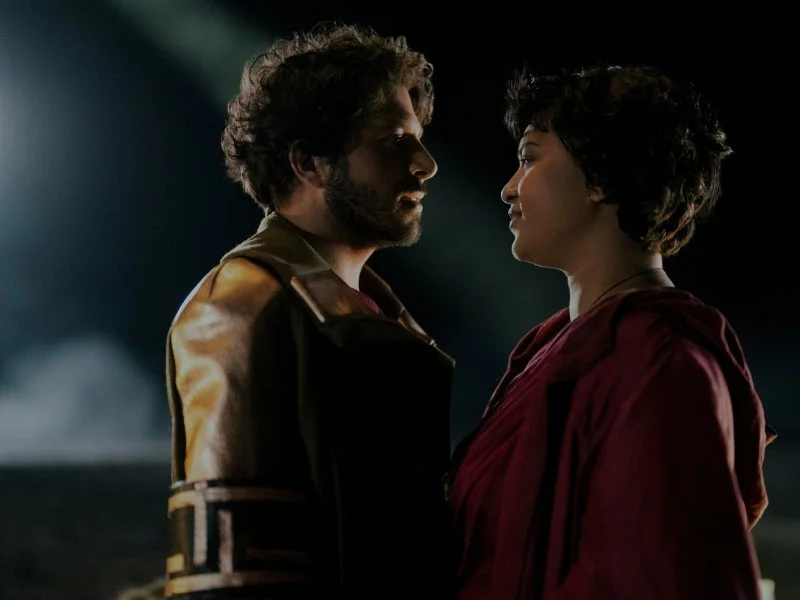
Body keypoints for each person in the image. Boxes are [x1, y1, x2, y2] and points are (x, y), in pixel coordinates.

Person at [447, 63, 777, 599]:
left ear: (600, 175)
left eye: (529, 158)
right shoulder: (552, 349)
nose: (508, 189)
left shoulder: (664, 366)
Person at [163, 22, 454, 599]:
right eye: (394, 140)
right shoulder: (241, 302)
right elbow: (230, 572)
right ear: (310, 162)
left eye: (417, 139)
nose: (425, 163)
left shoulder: (375, 310)